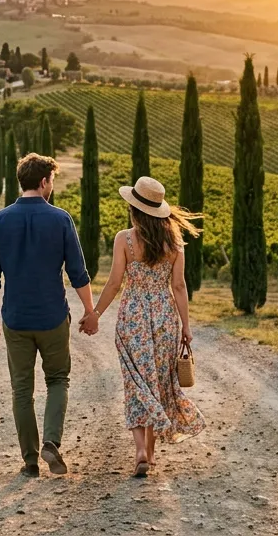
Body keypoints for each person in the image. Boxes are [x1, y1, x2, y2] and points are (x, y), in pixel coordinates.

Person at [80, 176, 205, 477]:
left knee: (136, 383)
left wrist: (95, 313)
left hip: (132, 318)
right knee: (158, 384)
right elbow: (178, 286)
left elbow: (113, 284)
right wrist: (186, 326)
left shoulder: (124, 239)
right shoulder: (174, 244)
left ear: (135, 210)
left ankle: (139, 451)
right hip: (164, 319)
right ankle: (149, 453)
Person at [0, 153, 93, 477]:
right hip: (53, 318)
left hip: (15, 318)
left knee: (21, 389)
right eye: (52, 181)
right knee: (58, 379)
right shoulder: (60, 219)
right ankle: (51, 442)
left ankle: (30, 460)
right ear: (44, 182)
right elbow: (78, 272)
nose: (52, 187)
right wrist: (90, 310)